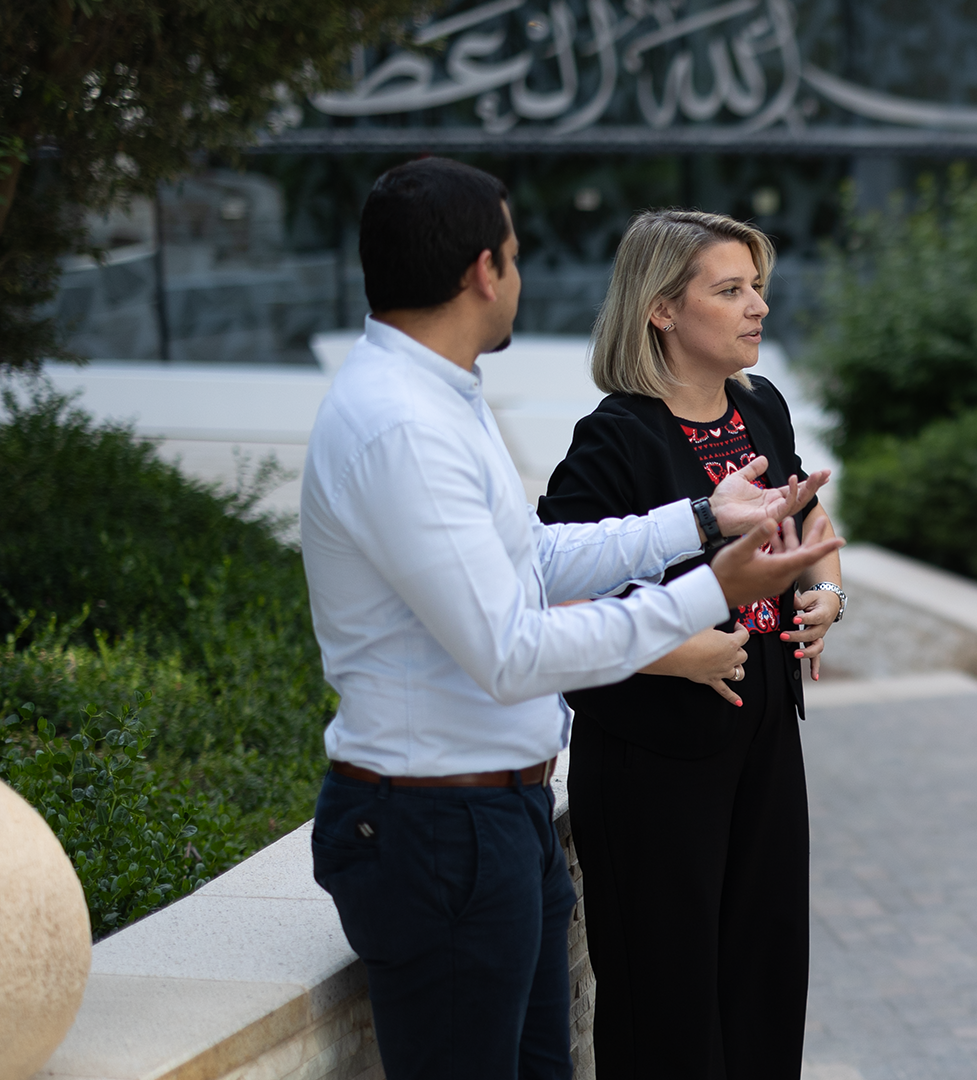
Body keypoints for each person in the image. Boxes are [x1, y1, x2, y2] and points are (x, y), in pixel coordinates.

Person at [300, 159, 840, 1080]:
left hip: (494, 813)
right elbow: (512, 648)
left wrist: (706, 519)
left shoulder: (444, 402)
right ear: (484, 272)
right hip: (440, 822)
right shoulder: (403, 427)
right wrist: (706, 593)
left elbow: (537, 560)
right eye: (514, 255)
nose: (521, 275)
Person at [536, 209, 843, 1079]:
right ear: (662, 309)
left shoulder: (760, 405)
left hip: (765, 737)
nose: (758, 307)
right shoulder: (615, 436)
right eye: (731, 290)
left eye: (758, 288)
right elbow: (548, 594)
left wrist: (827, 592)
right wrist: (679, 652)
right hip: (653, 760)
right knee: (667, 1012)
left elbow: (810, 516)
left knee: (766, 981)